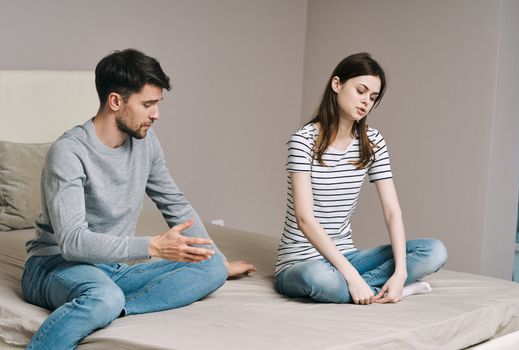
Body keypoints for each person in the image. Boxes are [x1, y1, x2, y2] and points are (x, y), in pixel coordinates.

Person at [22, 49, 255, 349]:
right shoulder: (69, 153)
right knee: (105, 296)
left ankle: (108, 307)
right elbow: (72, 242)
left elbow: (175, 203)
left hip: (112, 267)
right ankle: (103, 302)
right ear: (116, 101)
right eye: (148, 104)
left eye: (157, 104)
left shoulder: (146, 144)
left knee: (211, 269)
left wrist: (219, 260)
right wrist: (152, 246)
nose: (156, 114)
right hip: (55, 265)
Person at [274, 52, 447, 305]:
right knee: (320, 279)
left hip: (348, 255)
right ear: (337, 84)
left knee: (434, 251)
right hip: (301, 262)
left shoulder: (373, 142)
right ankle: (376, 287)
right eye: (361, 91)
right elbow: (304, 218)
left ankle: (392, 286)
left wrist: (400, 272)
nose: (366, 101)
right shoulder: (303, 141)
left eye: (373, 97)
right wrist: (351, 276)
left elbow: (392, 211)